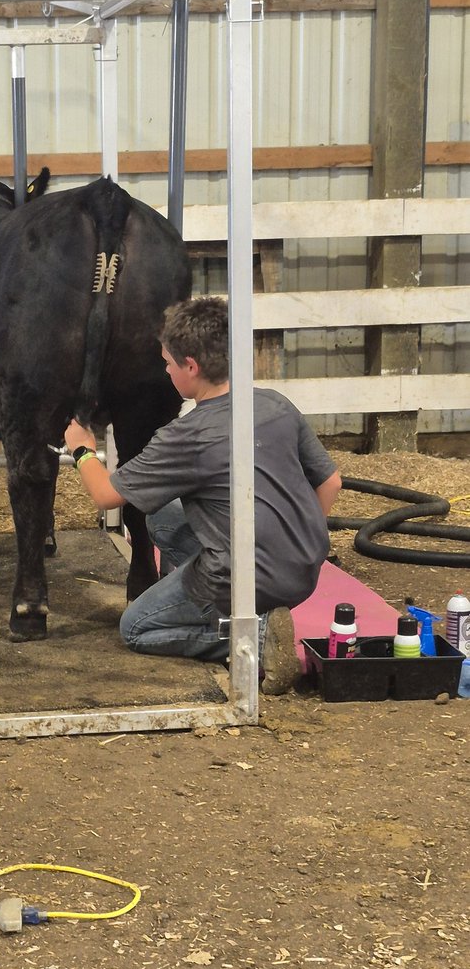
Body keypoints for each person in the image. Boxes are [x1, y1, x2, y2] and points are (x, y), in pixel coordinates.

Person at [64, 296, 342, 694]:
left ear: (191, 367)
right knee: (161, 513)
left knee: (136, 628)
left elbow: (106, 495)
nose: (165, 369)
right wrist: (295, 542)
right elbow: (331, 482)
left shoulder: (186, 436)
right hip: (304, 566)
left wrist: (82, 448)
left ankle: (254, 635)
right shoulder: (275, 404)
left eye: (168, 363)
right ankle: (244, 606)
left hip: (248, 578)